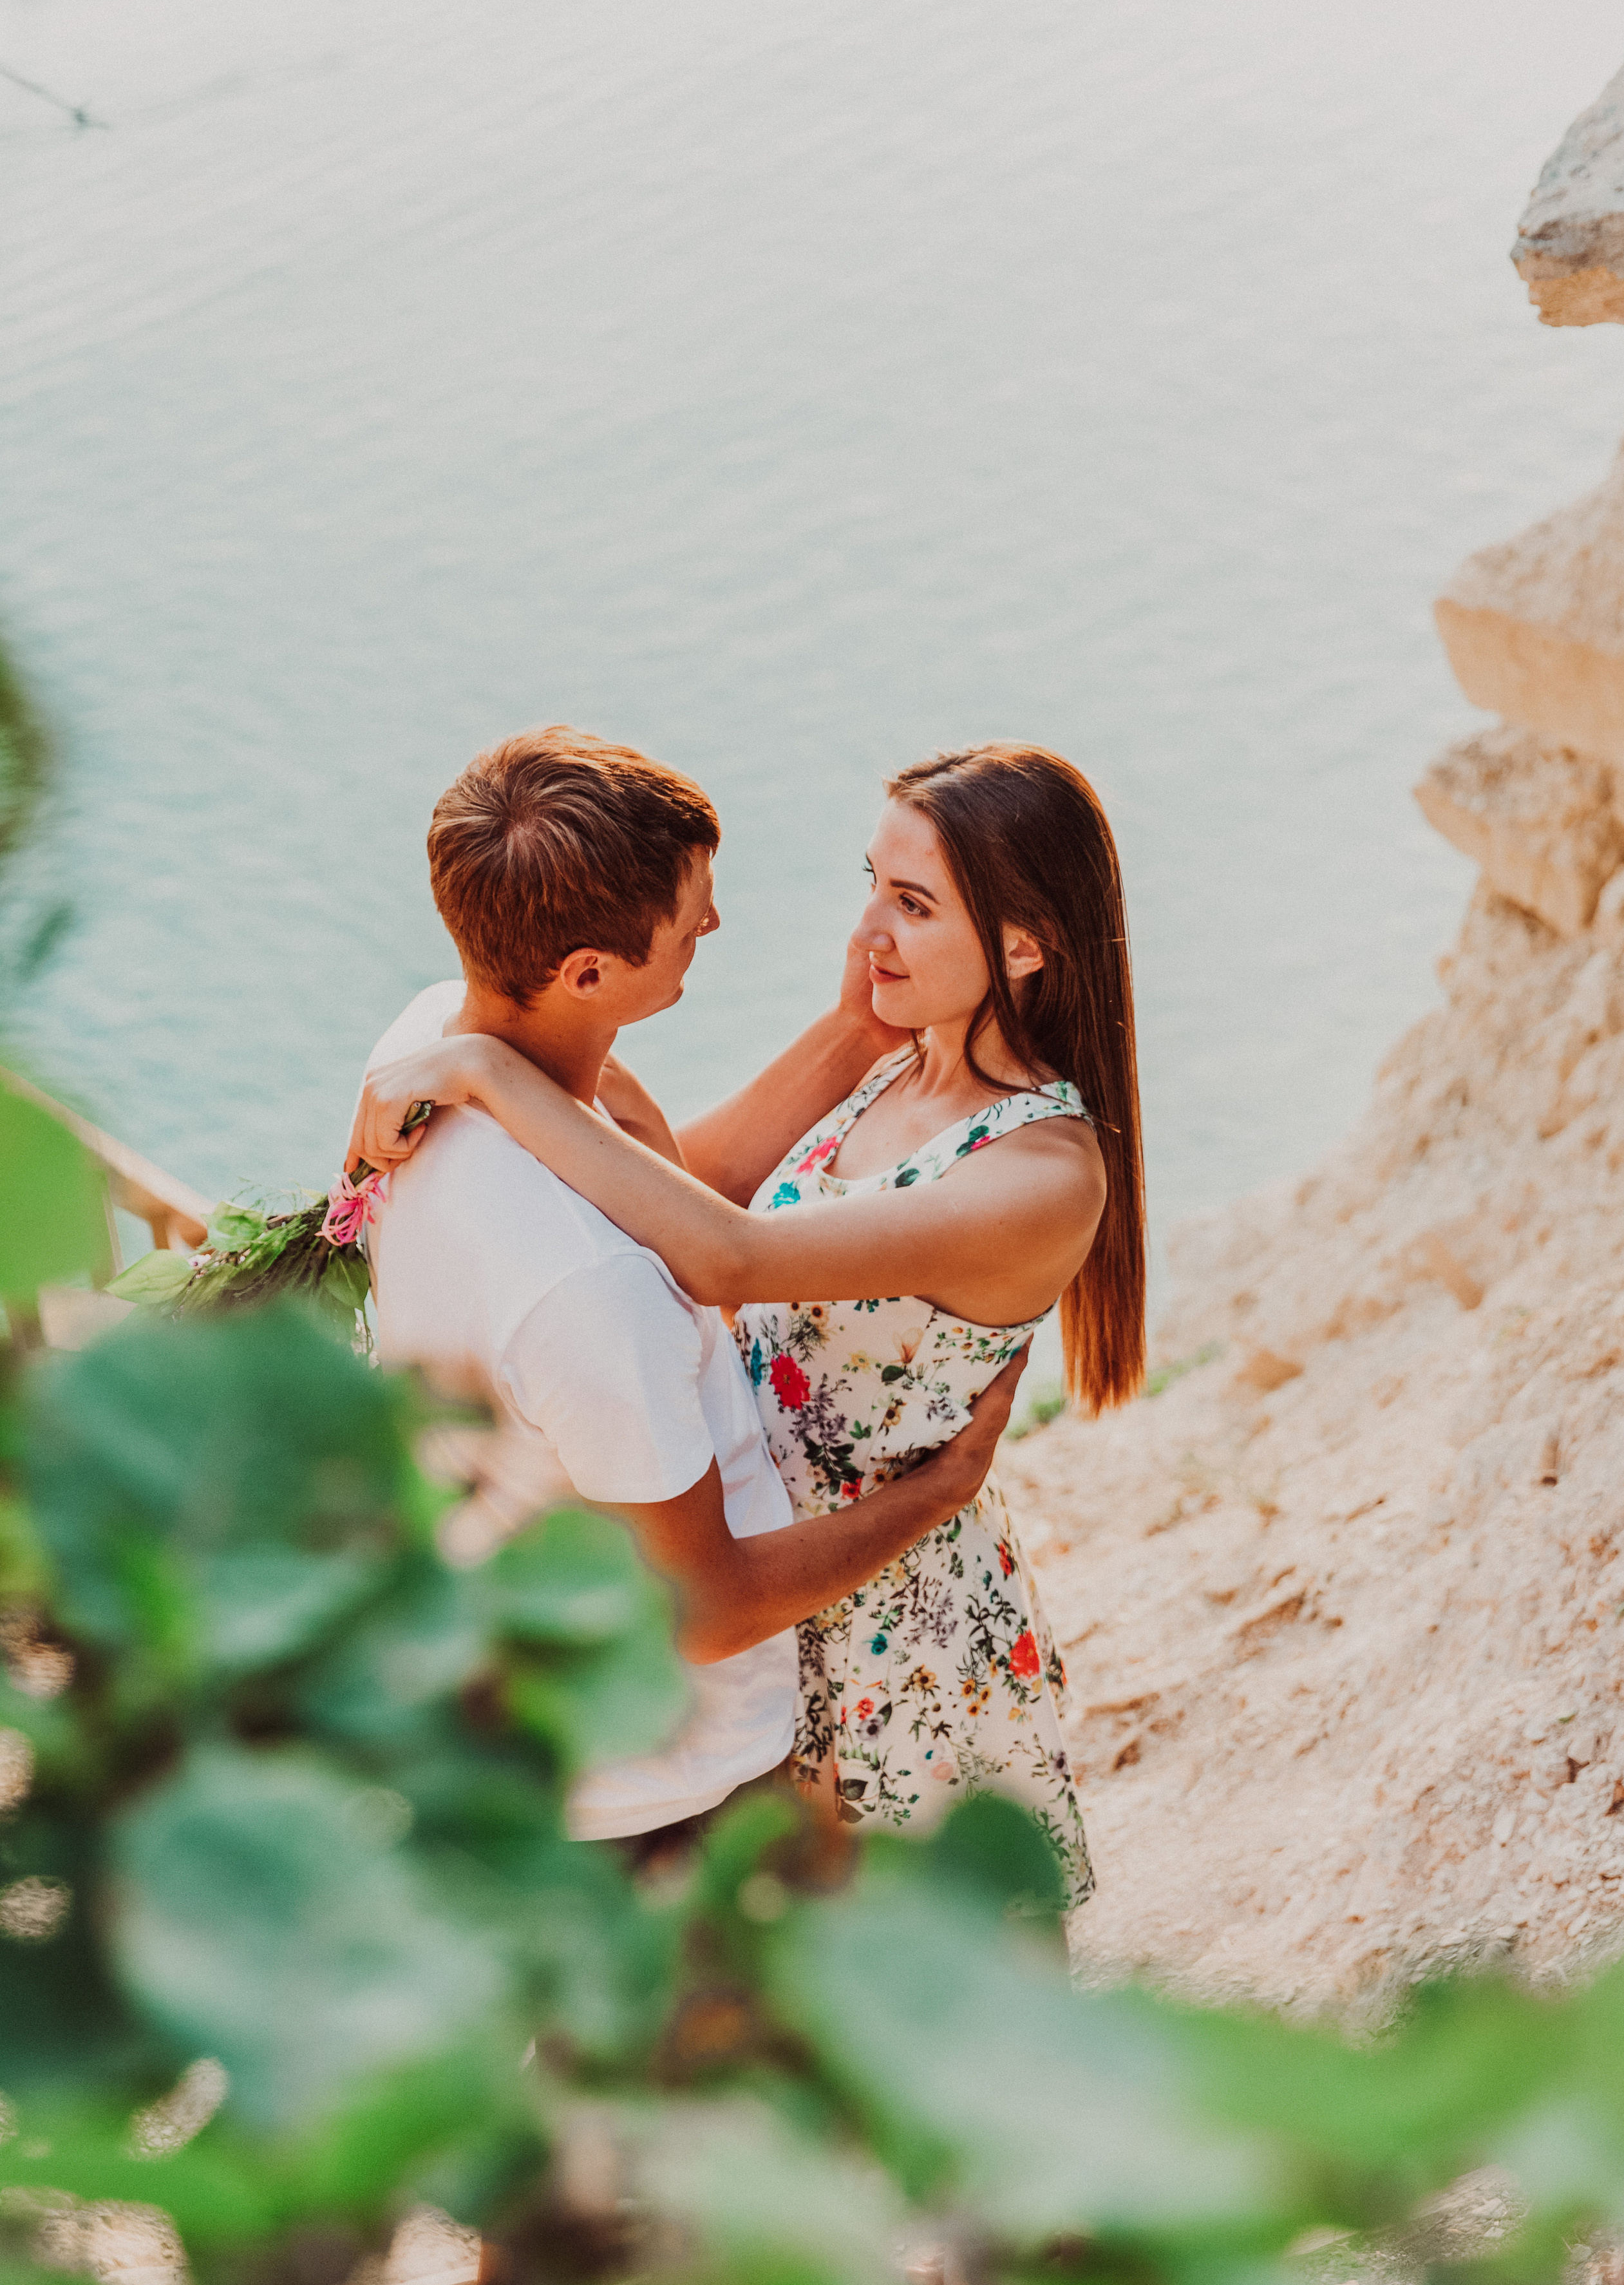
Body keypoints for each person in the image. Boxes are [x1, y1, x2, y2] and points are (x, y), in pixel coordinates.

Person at [355, 744, 1146, 1905]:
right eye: (871, 882)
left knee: (918, 2002)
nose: (870, 929)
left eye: (912, 905)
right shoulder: (896, 1066)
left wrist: (487, 1072)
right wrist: (852, 1037)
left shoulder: (1038, 1173)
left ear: (1023, 947)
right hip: (758, 1600)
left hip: (877, 1615)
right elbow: (690, 1195)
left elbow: (730, 1261)